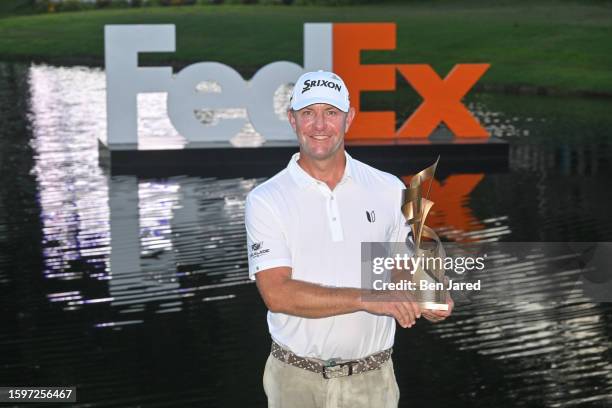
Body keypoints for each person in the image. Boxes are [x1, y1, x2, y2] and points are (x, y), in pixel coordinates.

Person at [244, 70, 453, 408]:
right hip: (295, 382)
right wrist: (368, 297)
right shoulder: (266, 199)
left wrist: (426, 296)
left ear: (349, 118)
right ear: (292, 120)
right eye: (308, 113)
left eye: (331, 113)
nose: (319, 125)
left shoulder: (389, 189)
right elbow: (277, 293)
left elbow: (400, 265)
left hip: (373, 382)